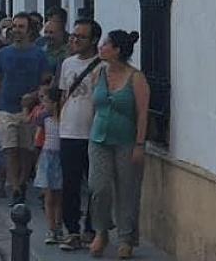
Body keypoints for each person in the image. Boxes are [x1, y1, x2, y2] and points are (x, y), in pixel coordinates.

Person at [87, 30, 148, 259]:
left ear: (117, 50)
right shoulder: (98, 74)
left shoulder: (136, 78)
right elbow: (95, 105)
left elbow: (142, 113)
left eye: (106, 45)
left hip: (126, 141)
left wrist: (140, 144)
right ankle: (101, 230)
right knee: (99, 187)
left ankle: (126, 238)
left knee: (127, 190)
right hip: (99, 139)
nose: (101, 48)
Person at [0, 13, 52, 206]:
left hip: (29, 110)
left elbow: (46, 82)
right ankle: (14, 186)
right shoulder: (3, 54)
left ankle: (22, 182)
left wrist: (33, 96)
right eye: (14, 26)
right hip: (6, 107)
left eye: (21, 26)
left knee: (27, 150)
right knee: (9, 148)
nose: (16, 30)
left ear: (29, 29)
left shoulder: (39, 54)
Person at [57, 18, 103, 251]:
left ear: (94, 40)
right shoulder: (67, 64)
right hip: (69, 132)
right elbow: (64, 95)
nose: (74, 40)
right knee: (70, 184)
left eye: (81, 37)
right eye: (73, 36)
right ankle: (72, 230)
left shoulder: (102, 66)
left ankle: (92, 229)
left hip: (94, 134)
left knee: (95, 185)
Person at [33, 85, 64, 245]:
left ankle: (59, 226)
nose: (43, 103)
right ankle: (51, 227)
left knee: (59, 195)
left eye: (46, 100)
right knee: (49, 195)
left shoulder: (65, 119)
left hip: (60, 157)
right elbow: (38, 139)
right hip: (47, 155)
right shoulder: (44, 118)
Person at [40, 6, 70, 73]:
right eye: (49, 20)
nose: (51, 23)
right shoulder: (39, 43)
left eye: (54, 21)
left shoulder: (72, 43)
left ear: (63, 22)